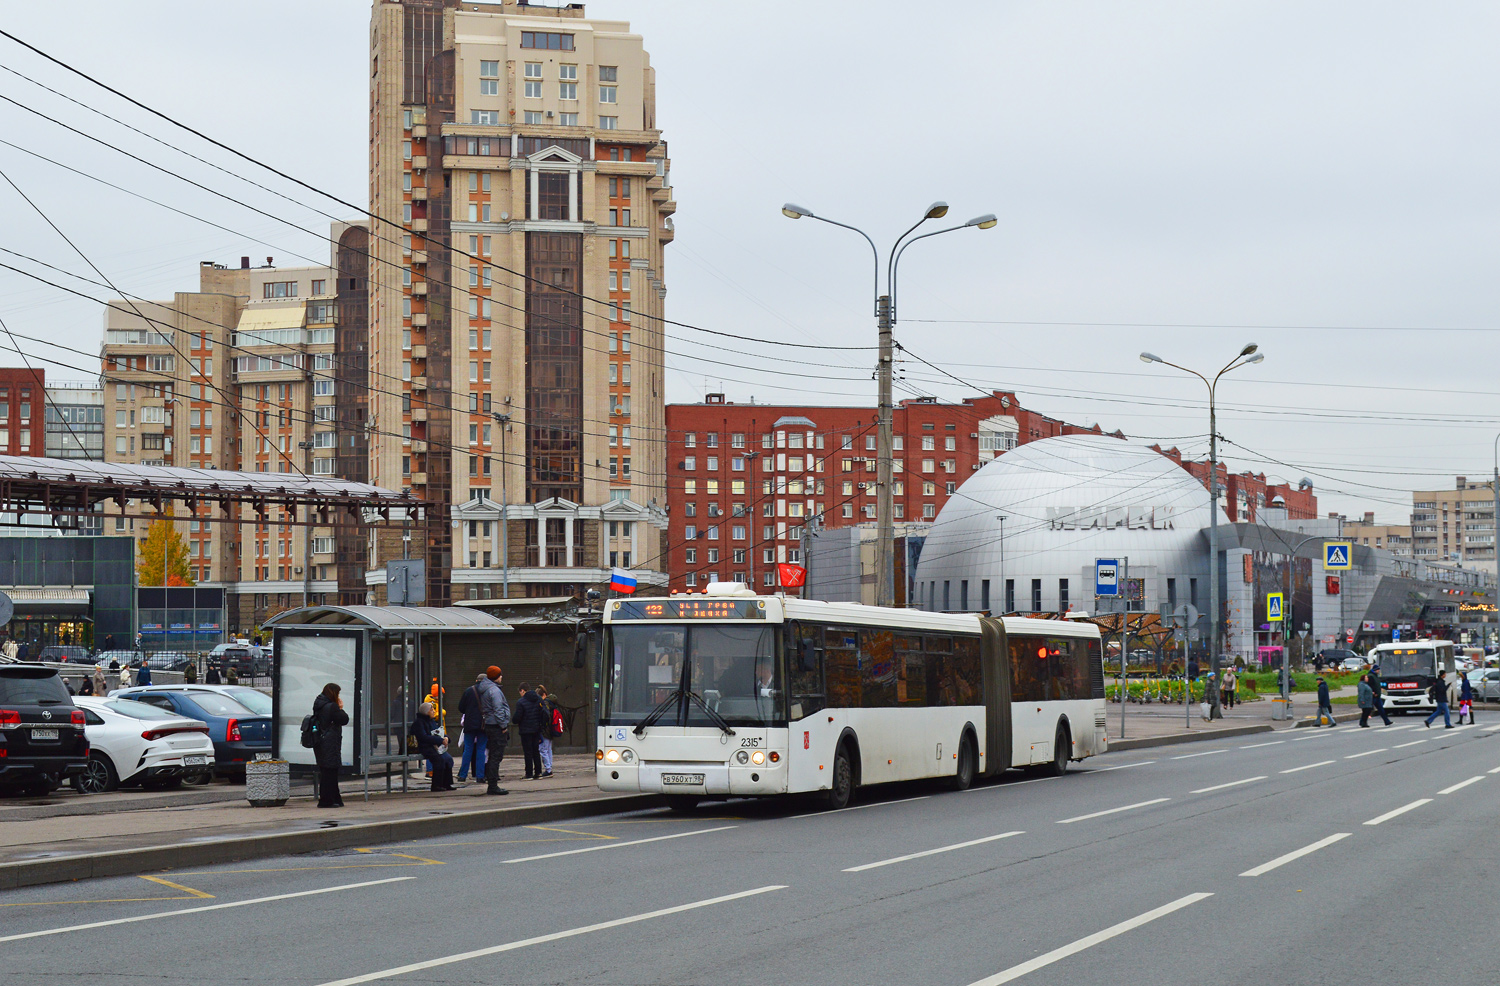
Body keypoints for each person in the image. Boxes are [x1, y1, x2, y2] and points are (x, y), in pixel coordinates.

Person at [313, 682, 349, 808]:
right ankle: (327, 800)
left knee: (327, 771)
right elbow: (344, 719)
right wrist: (340, 707)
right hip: (330, 742)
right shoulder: (332, 707)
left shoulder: (319, 704)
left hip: (320, 742)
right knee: (331, 772)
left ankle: (335, 799)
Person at [477, 666, 511, 795]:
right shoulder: (494, 691)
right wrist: (503, 726)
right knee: (496, 756)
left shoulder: (486, 689)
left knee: (493, 755)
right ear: (496, 677)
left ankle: (492, 784)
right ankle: (493, 785)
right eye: (500, 675)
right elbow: (498, 710)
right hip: (496, 726)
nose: (502, 677)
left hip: (491, 725)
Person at [411, 701, 455, 792]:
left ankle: (447, 783)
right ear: (426, 712)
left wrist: (446, 738)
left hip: (434, 746)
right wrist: (440, 740)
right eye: (432, 710)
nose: (434, 711)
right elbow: (423, 737)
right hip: (424, 746)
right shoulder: (419, 723)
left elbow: (439, 732)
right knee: (439, 760)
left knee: (448, 759)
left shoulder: (432, 721)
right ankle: (436, 785)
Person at [456, 673, 487, 784]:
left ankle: (462, 775)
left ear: (476, 680)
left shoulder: (468, 691)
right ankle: (480, 776)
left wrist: (469, 712)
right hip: (483, 725)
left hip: (469, 724)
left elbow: (461, 707)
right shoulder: (487, 691)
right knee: (481, 750)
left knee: (468, 749)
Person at [514, 682, 546, 780]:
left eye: (520, 692)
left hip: (525, 730)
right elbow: (544, 713)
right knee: (535, 751)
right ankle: (538, 772)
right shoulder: (539, 699)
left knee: (528, 752)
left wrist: (514, 720)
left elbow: (516, 718)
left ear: (522, 690)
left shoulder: (521, 702)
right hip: (536, 729)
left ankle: (529, 774)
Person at [536, 685, 557, 779]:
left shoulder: (545, 704)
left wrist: (542, 726)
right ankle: (549, 767)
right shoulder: (551, 703)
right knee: (548, 749)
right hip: (550, 730)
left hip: (545, 730)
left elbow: (545, 716)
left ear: (543, 695)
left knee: (543, 749)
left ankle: (548, 769)